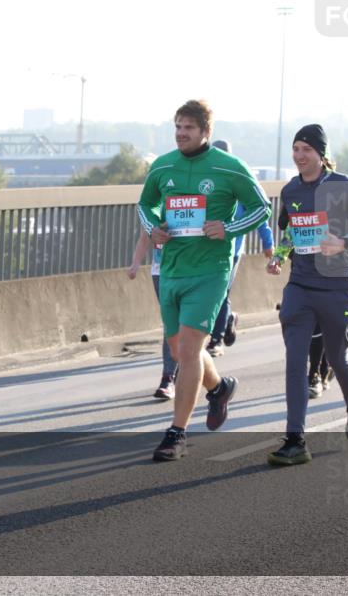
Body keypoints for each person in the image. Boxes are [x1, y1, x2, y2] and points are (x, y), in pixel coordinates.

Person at [137, 99, 271, 461]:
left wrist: (227, 229)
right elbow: (145, 204)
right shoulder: (164, 165)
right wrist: (154, 229)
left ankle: (176, 433)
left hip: (210, 273)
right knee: (181, 349)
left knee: (190, 351)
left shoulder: (230, 168)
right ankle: (220, 387)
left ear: (205, 132)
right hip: (172, 270)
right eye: (178, 127)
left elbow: (262, 208)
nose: (181, 133)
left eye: (189, 128)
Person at [266, 124, 348, 466]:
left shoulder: (342, 185)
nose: (299, 155)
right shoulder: (290, 190)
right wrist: (280, 256)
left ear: (321, 154)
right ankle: (295, 439)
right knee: (295, 361)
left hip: (337, 284)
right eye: (296, 148)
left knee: (337, 355)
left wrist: (344, 242)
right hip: (300, 286)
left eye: (306, 149)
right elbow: (292, 233)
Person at [205, 139, 275, 357]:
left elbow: (260, 215)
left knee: (221, 293)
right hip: (205, 249)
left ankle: (215, 341)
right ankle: (228, 319)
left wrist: (268, 242)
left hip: (232, 250)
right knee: (207, 294)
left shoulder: (238, 180)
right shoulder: (207, 181)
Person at [277, 204, 334, 399]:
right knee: (310, 323)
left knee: (327, 323)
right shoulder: (295, 191)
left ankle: (327, 365)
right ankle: (314, 374)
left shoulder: (336, 192)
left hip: (329, 269)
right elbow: (282, 223)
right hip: (301, 269)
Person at [128, 231, 178, 399]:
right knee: (171, 324)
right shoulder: (154, 208)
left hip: (189, 272)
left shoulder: (191, 205)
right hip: (161, 273)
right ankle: (168, 378)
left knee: (188, 326)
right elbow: (144, 237)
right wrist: (135, 264)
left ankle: (190, 370)